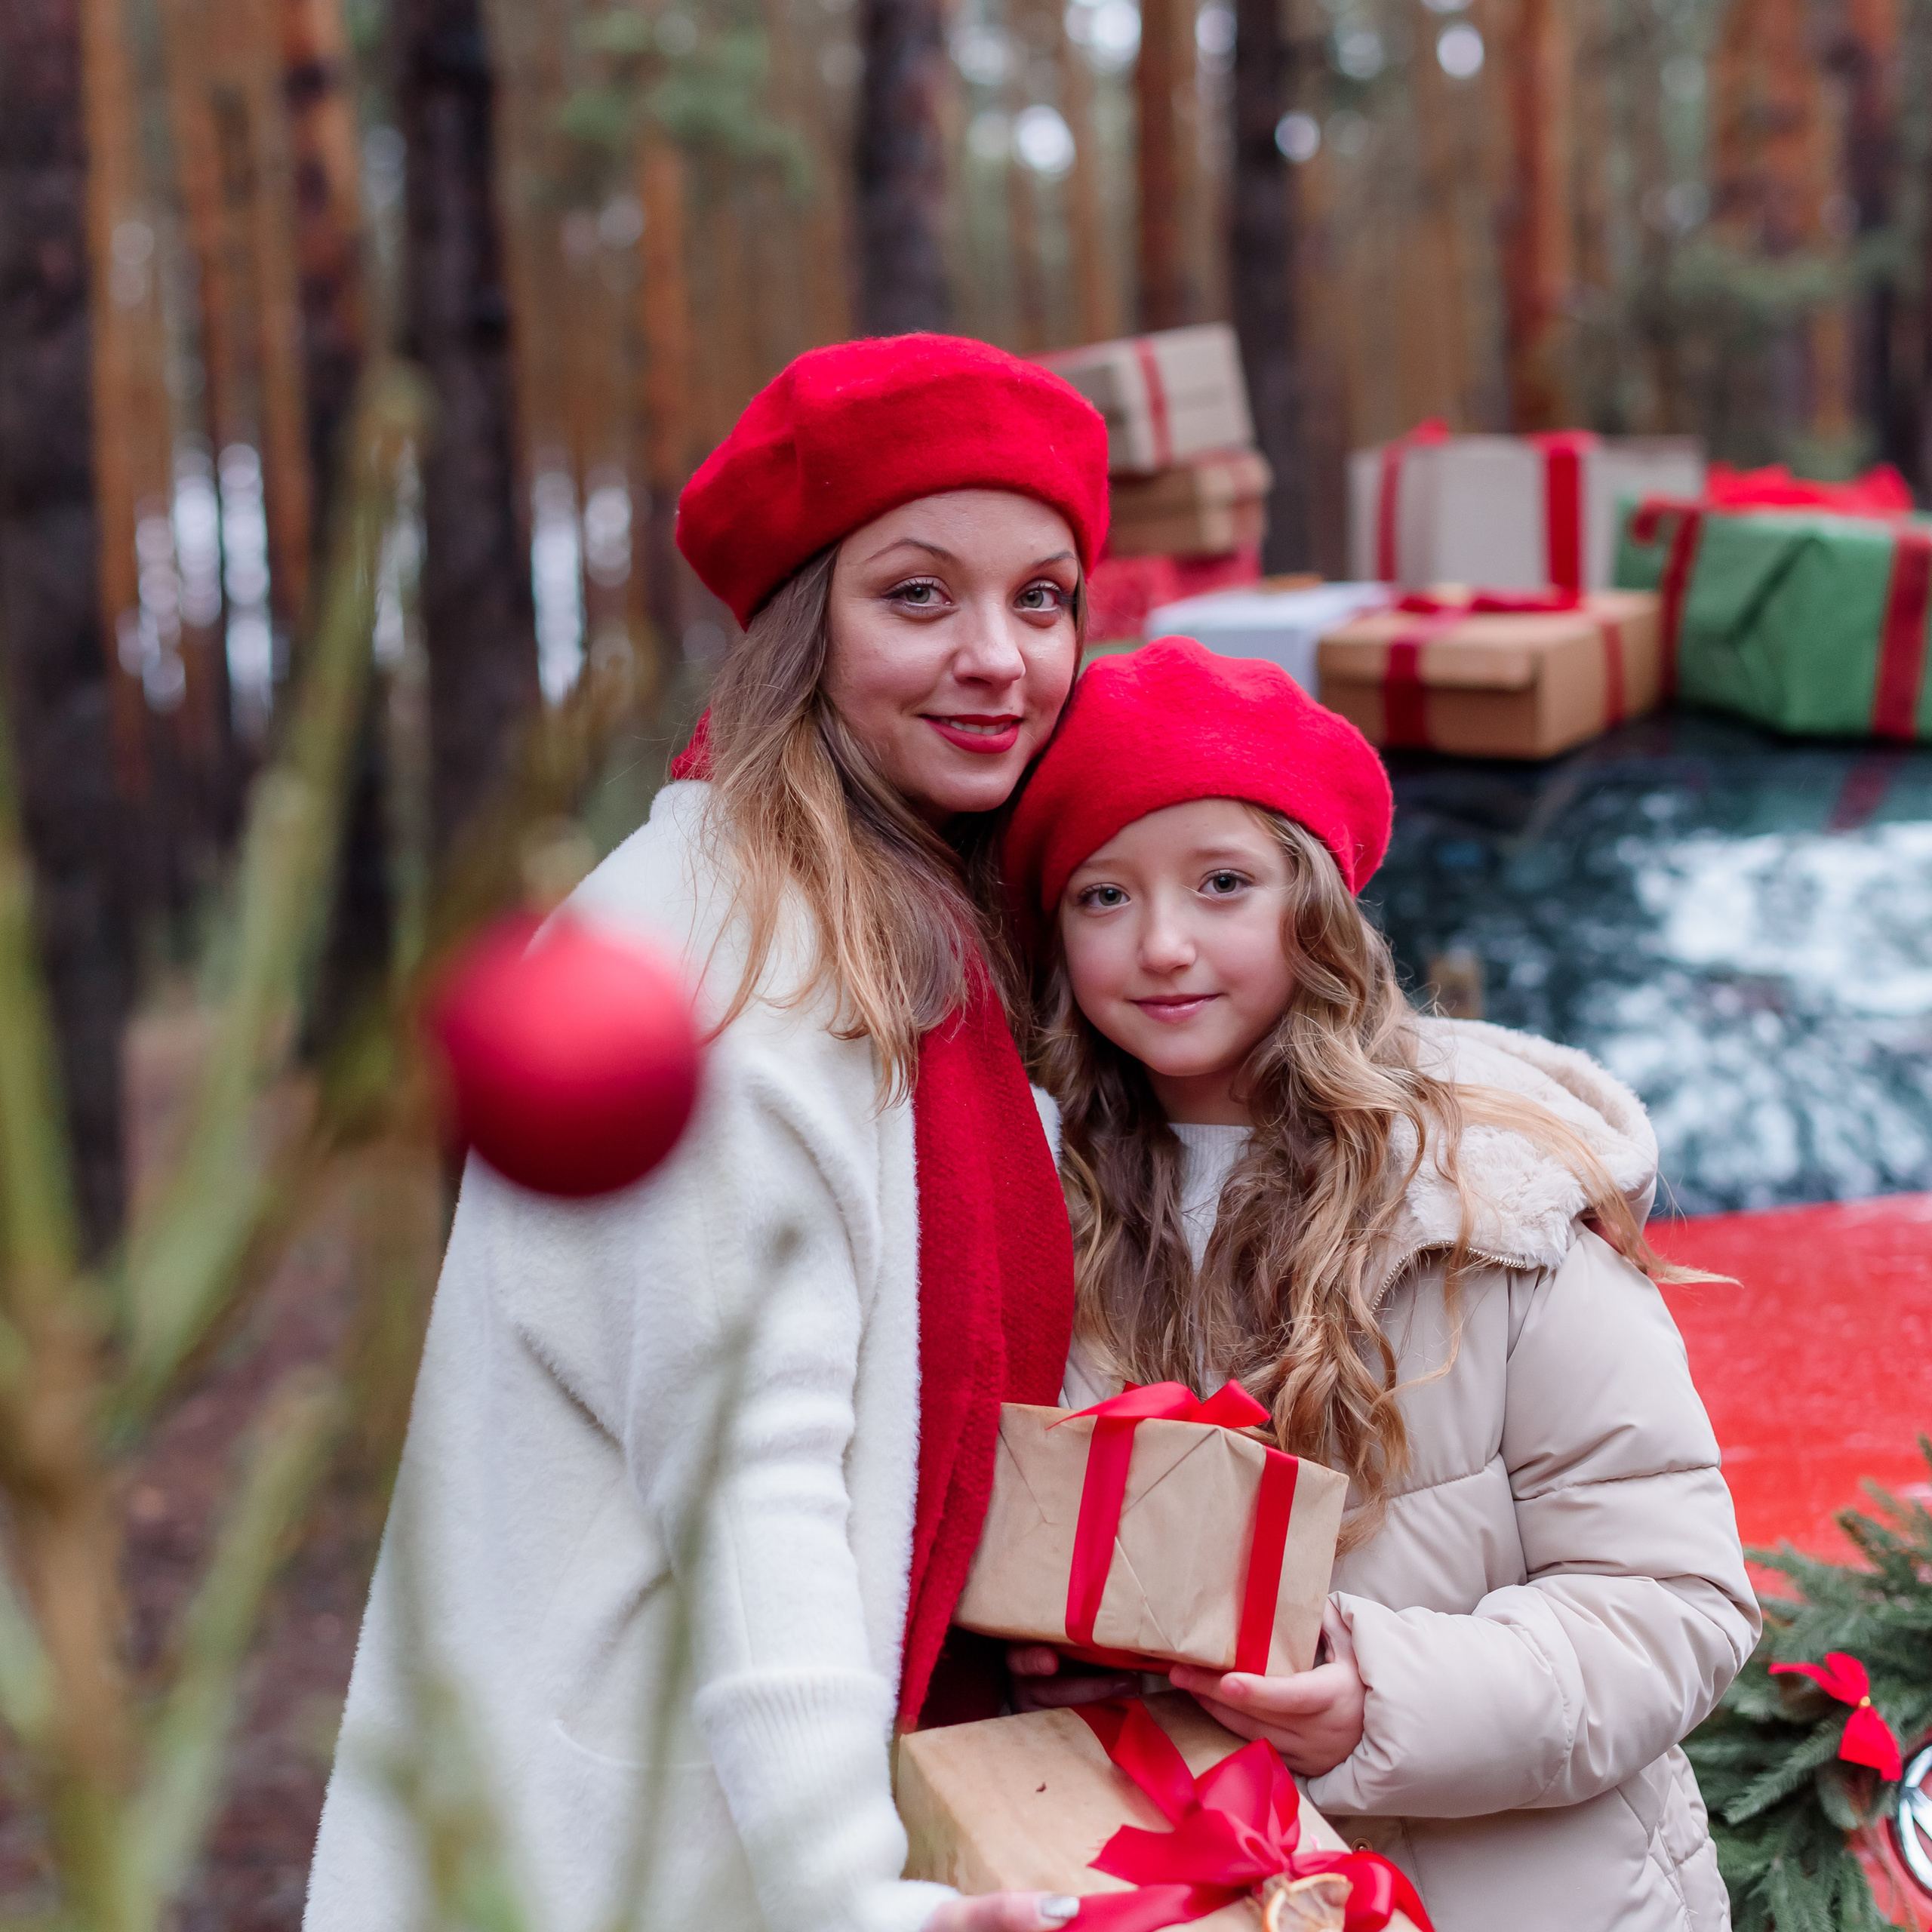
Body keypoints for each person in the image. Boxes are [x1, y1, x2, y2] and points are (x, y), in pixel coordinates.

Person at [306, 336, 1114, 1932]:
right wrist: (851, 1892)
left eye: (1041, 597)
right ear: (802, 627)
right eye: (917, 593)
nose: (998, 656)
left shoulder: (907, 929)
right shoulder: (715, 963)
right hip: (643, 1848)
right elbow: (752, 1475)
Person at [1000, 638, 1759, 1932]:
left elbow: (1675, 1608)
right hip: (1188, 1888)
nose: (1165, 943)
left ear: (1316, 907)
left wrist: (1379, 1694)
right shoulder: (1029, 1213)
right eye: (1103, 896)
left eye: (1223, 883)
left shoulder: (1488, 1204)